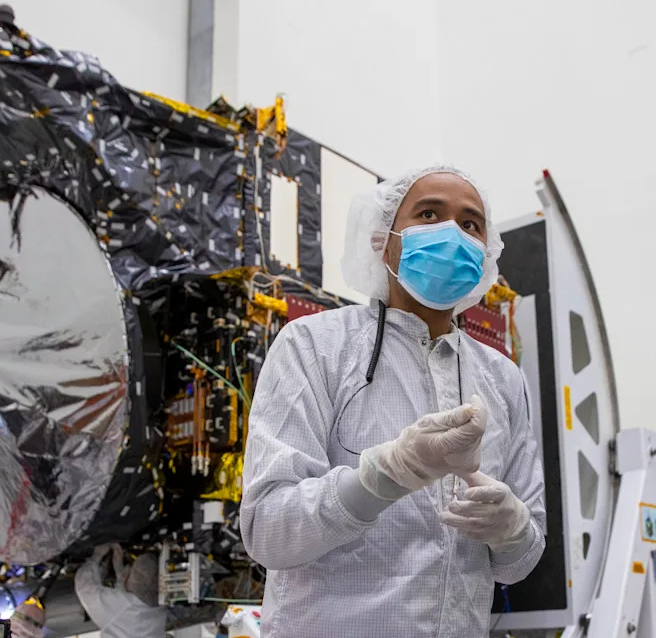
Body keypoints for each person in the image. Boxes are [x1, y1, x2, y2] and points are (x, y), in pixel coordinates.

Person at [240, 165, 546, 637]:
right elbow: (267, 532)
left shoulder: (502, 378)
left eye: (470, 224)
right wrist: (382, 477)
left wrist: (512, 527)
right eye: (429, 214)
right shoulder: (315, 346)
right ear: (383, 240)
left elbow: (519, 564)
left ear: (486, 254)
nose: (452, 234)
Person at [73, 544, 167, 638]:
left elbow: (85, 586)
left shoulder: (159, 610)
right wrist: (119, 573)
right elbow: (127, 602)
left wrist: (96, 557)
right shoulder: (154, 609)